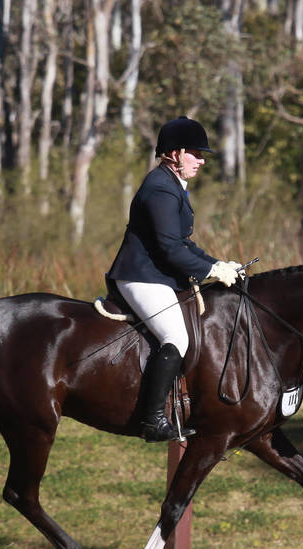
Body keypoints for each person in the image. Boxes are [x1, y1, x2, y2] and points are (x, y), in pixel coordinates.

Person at [106, 116, 242, 442]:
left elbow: (183, 242)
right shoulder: (160, 188)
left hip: (157, 275)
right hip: (141, 277)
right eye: (195, 153)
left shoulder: (171, 184)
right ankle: (153, 421)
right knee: (176, 337)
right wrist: (211, 272)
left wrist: (217, 264)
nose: (201, 160)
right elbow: (170, 249)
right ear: (175, 153)